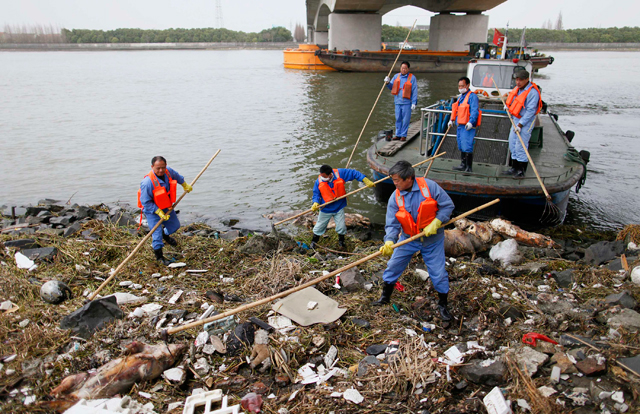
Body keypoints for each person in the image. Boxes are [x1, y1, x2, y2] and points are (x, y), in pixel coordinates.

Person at [375, 161, 455, 321]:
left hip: (432, 240)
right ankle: (385, 297)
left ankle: (443, 304)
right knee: (393, 266)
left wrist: (437, 221)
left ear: (409, 179)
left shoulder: (430, 187)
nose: (394, 183)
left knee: (438, 274)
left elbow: (448, 206)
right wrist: (389, 241)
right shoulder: (395, 197)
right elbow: (392, 223)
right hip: (408, 239)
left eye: (397, 180)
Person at [138, 156, 192, 265]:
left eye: (163, 167)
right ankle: (159, 258)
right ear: (152, 167)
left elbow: (177, 176)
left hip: (166, 206)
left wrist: (184, 184)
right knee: (156, 235)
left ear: (166, 166)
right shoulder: (147, 183)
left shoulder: (168, 172)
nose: (161, 170)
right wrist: (158, 211)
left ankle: (165, 235)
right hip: (152, 211)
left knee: (175, 226)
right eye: (158, 168)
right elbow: (145, 202)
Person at [311, 165, 375, 249]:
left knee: (341, 226)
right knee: (319, 226)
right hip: (326, 208)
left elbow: (353, 173)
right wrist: (315, 202)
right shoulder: (319, 181)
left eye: (324, 176)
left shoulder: (339, 174)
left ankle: (341, 242)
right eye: (321, 175)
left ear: (330, 174)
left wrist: (364, 179)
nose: (322, 177)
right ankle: (314, 242)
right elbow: (316, 194)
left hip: (339, 207)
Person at [501, 70, 542, 178]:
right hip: (515, 119)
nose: (518, 82)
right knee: (512, 143)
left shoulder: (532, 93)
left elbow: (531, 111)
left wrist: (521, 124)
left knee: (521, 145)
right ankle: (514, 168)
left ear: (527, 80)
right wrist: (508, 107)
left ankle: (521, 170)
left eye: (521, 80)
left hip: (526, 121)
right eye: (517, 80)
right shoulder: (517, 90)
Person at [448, 77, 480, 173]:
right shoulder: (460, 97)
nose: (460, 87)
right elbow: (456, 110)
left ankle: (468, 167)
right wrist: (451, 120)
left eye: (462, 86)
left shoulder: (472, 97)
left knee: (467, 145)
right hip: (460, 125)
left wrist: (471, 122)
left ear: (467, 85)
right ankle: (463, 164)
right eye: (459, 86)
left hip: (468, 125)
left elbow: (475, 111)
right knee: (461, 144)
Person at [385, 61, 418, 141]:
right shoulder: (396, 76)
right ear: (400, 68)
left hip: (407, 102)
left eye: (405, 68)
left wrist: (414, 102)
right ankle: (398, 134)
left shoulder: (412, 78)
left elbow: (414, 91)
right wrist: (388, 82)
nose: (403, 70)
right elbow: (391, 87)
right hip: (397, 102)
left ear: (408, 69)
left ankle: (403, 135)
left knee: (406, 119)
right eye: (402, 68)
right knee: (398, 118)